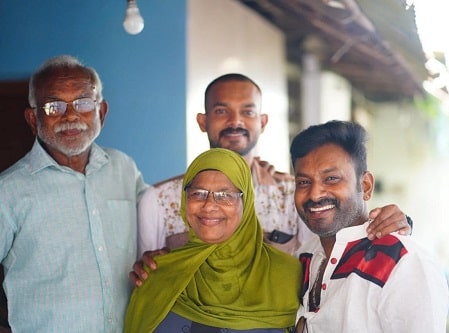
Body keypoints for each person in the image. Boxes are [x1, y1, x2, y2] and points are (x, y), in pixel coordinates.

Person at [137, 73, 411, 258]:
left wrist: (397, 224)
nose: (236, 121)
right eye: (221, 111)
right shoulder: (160, 200)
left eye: (248, 112)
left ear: (263, 122)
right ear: (202, 121)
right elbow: (148, 277)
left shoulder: (299, 195)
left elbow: (336, 247)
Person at [0, 55, 149, 332]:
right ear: (33, 119)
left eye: (83, 103)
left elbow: (165, 215)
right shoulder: (8, 192)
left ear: (101, 112)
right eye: (54, 106)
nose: (70, 116)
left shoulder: (123, 167)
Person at [290, 120, 449, 332]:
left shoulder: (404, 262)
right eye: (303, 182)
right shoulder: (305, 255)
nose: (315, 194)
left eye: (331, 179)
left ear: (365, 186)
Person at [124, 148, 301, 333]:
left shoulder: (288, 275)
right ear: (185, 199)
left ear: (246, 203)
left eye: (225, 195)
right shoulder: (156, 272)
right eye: (198, 193)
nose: (209, 205)